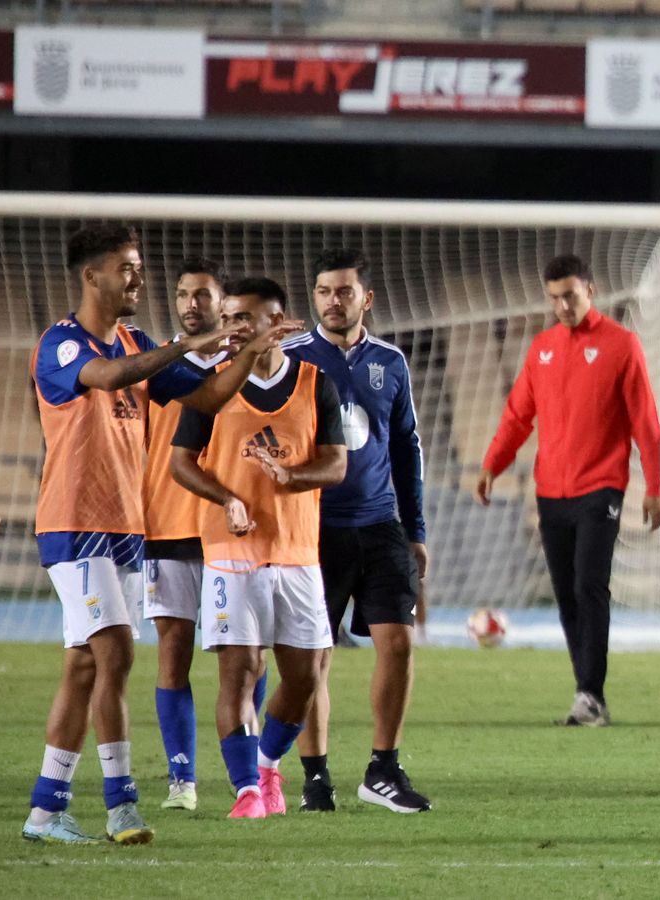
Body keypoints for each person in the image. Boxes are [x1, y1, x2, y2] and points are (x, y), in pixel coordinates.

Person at [22, 225, 281, 845]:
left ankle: (46, 809)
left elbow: (207, 397)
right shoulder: (61, 344)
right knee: (116, 651)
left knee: (85, 667)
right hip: (73, 523)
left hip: (125, 528)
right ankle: (122, 804)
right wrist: (196, 340)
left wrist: (248, 352)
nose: (138, 278)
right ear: (92, 276)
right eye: (127, 268)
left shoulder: (138, 341)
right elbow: (111, 376)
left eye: (139, 267)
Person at [170, 279, 344, 820]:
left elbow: (337, 465)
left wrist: (291, 476)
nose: (236, 328)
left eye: (246, 317)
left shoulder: (316, 383)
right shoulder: (214, 386)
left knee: (304, 677)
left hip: (297, 551)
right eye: (230, 318)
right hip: (231, 551)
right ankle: (247, 790)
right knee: (240, 671)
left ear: (279, 320)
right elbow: (182, 464)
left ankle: (268, 765)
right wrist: (226, 498)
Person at [476, 254, 660, 727]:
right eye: (555, 298)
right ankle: (586, 693)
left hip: (601, 487)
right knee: (566, 593)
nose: (563, 305)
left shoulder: (623, 345)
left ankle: (591, 695)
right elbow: (519, 415)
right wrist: (492, 464)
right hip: (550, 491)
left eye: (571, 295)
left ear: (591, 290)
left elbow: (646, 422)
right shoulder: (542, 347)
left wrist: (655, 485)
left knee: (589, 584)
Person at [281, 248, 431, 814]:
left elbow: (405, 446)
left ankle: (383, 769)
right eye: (323, 291)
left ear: (366, 298)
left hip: (380, 524)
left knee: (398, 643)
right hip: (312, 529)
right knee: (313, 657)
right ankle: (315, 778)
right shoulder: (292, 358)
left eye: (344, 291)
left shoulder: (390, 361)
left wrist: (415, 529)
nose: (333, 300)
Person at [144, 257, 273, 813]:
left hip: (227, 528)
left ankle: (255, 771)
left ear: (222, 305)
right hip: (166, 523)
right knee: (173, 652)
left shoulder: (239, 364)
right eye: (182, 294)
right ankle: (182, 780)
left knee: (250, 659)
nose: (191, 303)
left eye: (203, 295)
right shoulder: (155, 364)